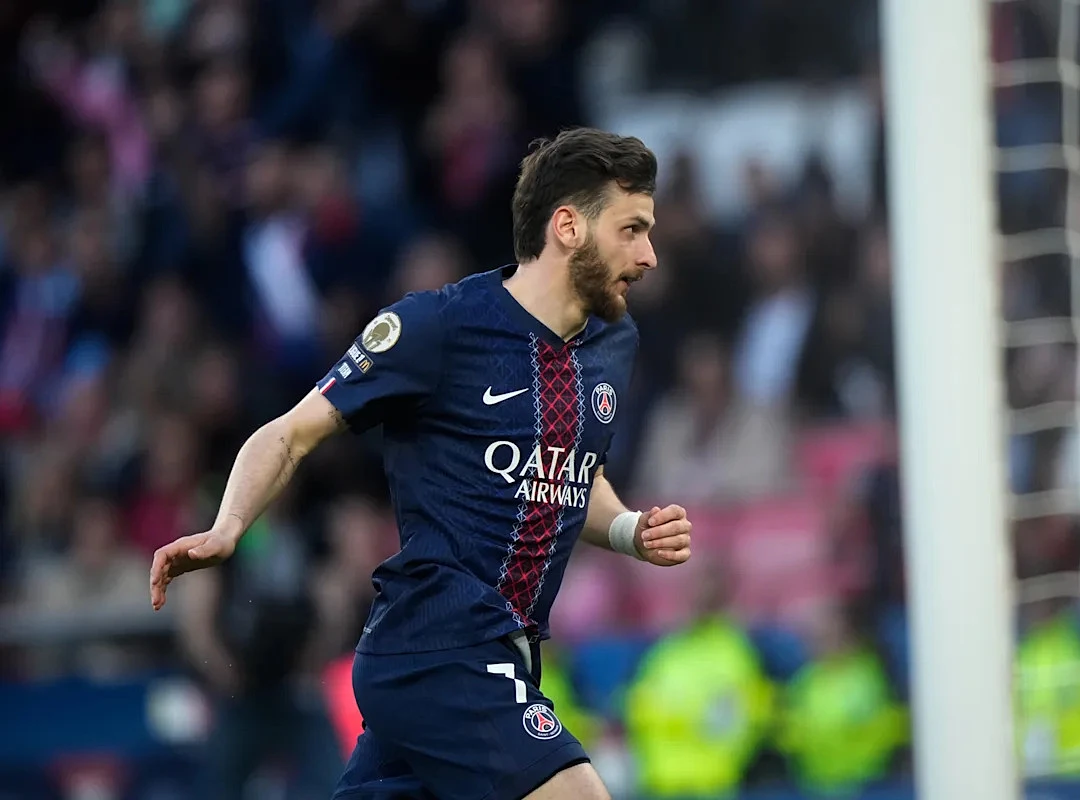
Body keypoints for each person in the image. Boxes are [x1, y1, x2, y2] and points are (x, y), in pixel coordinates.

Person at [149, 127, 693, 800]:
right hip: (441, 646)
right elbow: (290, 434)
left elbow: (572, 474)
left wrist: (630, 530)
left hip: (493, 657)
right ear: (568, 227)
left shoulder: (613, 343)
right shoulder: (438, 327)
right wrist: (228, 527)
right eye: (632, 230)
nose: (649, 255)